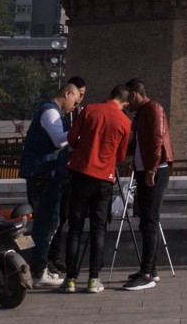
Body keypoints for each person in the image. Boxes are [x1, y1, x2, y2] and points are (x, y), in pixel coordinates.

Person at [57, 84, 132, 294]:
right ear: (125, 103)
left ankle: (70, 279)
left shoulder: (89, 110)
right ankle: (93, 279)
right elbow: (120, 155)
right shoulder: (125, 122)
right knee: (99, 229)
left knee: (75, 228)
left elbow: (71, 138)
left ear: (109, 95)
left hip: (80, 174)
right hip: (103, 179)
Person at [19, 81, 80, 288]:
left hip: (46, 175)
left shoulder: (52, 112)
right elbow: (58, 139)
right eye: (75, 99)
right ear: (67, 93)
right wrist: (79, 132)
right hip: (44, 176)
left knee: (47, 222)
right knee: (46, 224)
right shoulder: (51, 112)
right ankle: (38, 271)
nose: (75, 105)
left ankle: (39, 267)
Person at [121, 78, 173, 290]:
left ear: (134, 94)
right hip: (146, 171)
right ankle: (151, 268)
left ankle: (146, 273)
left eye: (127, 99)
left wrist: (151, 169)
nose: (127, 104)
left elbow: (156, 139)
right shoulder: (142, 112)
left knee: (150, 221)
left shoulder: (153, 109)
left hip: (155, 171)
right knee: (146, 221)